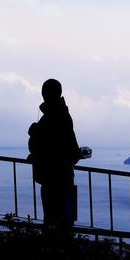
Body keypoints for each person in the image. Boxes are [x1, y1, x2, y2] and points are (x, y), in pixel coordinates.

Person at [27, 79, 91, 237]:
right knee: (63, 222)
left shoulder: (52, 117)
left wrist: (34, 134)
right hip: (63, 176)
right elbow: (70, 149)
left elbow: (41, 146)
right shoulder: (61, 115)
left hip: (52, 177)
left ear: (44, 94)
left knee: (53, 222)